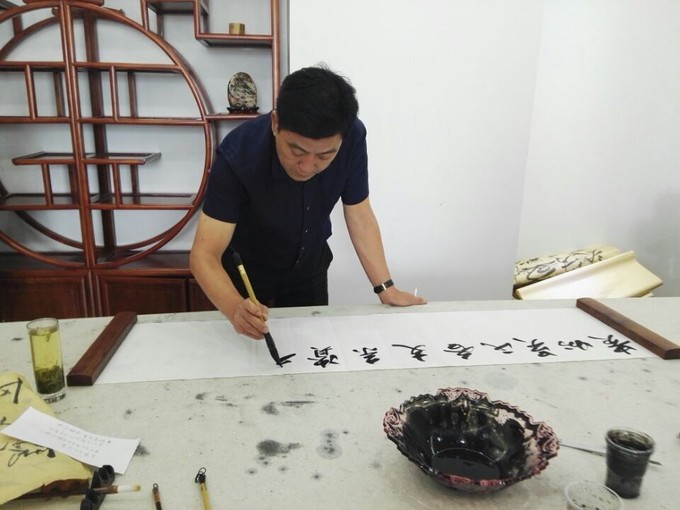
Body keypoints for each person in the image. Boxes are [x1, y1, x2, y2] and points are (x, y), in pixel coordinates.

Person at [190, 65, 425, 341]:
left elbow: (359, 213)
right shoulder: (239, 153)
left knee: (311, 346)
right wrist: (234, 308)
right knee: (245, 349)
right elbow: (204, 255)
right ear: (275, 123)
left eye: (324, 156)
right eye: (296, 150)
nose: (307, 166)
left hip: (308, 265)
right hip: (246, 272)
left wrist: (386, 287)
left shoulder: (352, 137)